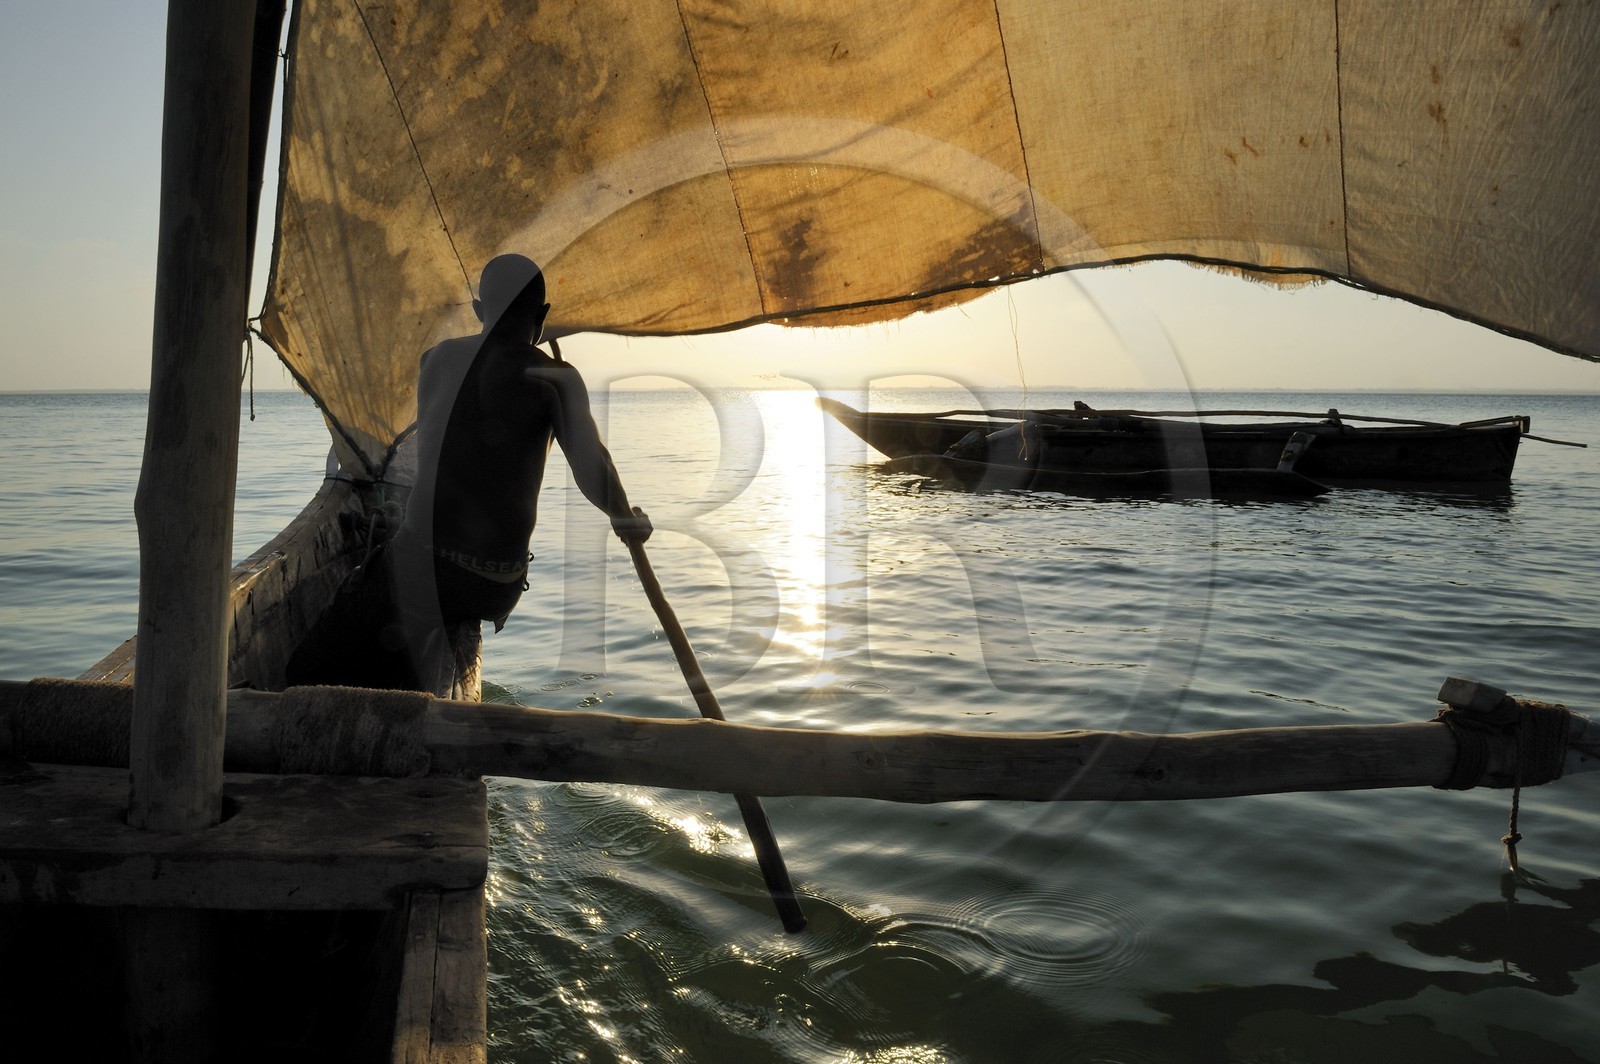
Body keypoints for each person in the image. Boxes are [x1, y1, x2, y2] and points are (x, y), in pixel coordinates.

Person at [287, 253, 649, 690]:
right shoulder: (558, 378)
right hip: (496, 582)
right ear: (542, 317)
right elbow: (592, 465)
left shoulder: (435, 361)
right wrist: (624, 517)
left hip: (423, 566)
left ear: (479, 311)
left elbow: (445, 456)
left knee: (309, 664)